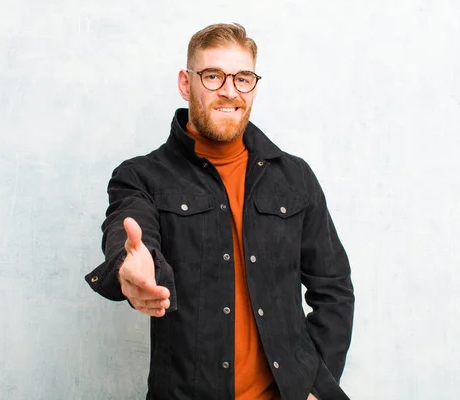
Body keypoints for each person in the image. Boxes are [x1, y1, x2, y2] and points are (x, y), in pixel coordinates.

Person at [85, 23, 354, 400]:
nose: (229, 90)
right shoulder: (141, 176)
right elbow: (128, 228)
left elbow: (334, 287)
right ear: (185, 83)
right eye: (213, 76)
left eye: (243, 78)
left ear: (254, 87)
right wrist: (130, 267)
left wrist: (315, 386)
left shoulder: (295, 177)